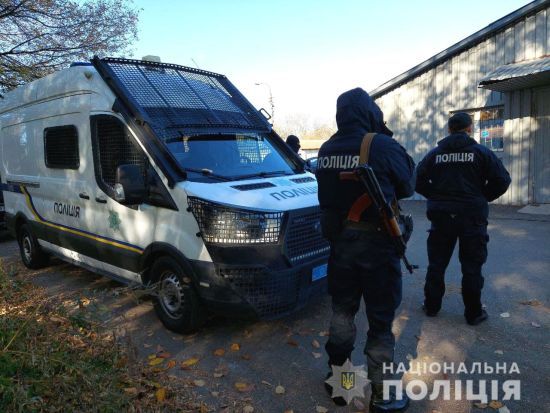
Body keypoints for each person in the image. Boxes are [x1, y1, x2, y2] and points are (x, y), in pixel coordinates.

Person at [316, 88, 415, 411]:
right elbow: (408, 185)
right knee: (380, 323)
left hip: (341, 247)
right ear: (370, 113)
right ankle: (384, 396)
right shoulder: (381, 145)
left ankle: (341, 385)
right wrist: (386, 138)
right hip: (377, 249)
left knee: (342, 315)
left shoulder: (327, 148)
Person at [416, 112, 511, 325]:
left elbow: (417, 179)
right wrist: (481, 197)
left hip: (441, 217)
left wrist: (436, 196)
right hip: (472, 217)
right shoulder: (481, 153)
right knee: (471, 267)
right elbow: (503, 180)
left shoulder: (434, 154)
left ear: (449, 130)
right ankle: (474, 314)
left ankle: (431, 306)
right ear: (470, 129)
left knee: (436, 264)